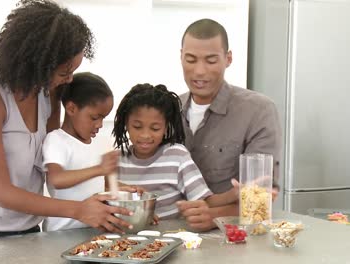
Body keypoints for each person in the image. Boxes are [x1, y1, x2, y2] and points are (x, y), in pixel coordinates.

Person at [0, 0, 132, 242]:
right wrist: (79, 210)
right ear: (35, 63)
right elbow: (0, 192)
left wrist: (110, 186)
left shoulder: (47, 92)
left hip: (27, 229)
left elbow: (52, 165)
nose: (69, 79)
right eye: (64, 72)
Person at [177, 18, 282, 231]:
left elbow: (262, 197)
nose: (199, 71)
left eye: (211, 60)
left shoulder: (258, 110)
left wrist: (214, 216)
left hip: (233, 240)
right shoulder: (169, 109)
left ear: (228, 59)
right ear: (181, 57)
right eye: (191, 59)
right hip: (170, 236)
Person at [113, 83, 239, 220]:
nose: (145, 135)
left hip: (172, 235)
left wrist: (234, 194)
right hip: (128, 238)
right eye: (137, 127)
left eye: (155, 128)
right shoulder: (117, 160)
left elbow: (205, 201)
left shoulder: (176, 155)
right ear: (126, 124)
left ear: (166, 127)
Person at [42, 72, 122, 231]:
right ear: (71, 108)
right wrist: (100, 169)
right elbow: (56, 179)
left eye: (103, 118)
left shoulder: (98, 143)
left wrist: (126, 189)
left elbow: (98, 186)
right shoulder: (57, 140)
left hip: (91, 231)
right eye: (94, 117)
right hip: (60, 234)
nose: (100, 124)